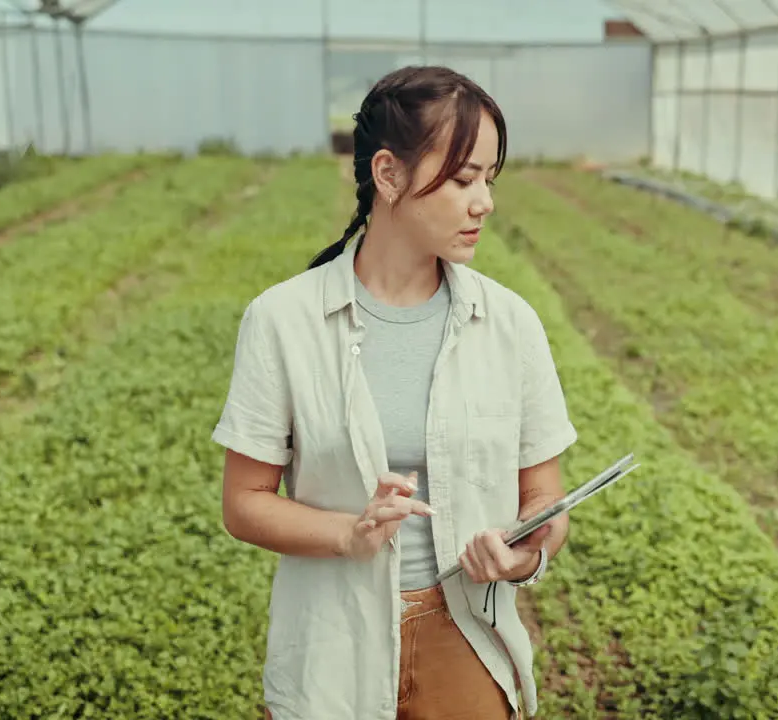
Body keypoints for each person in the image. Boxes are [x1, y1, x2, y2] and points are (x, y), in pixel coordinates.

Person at [213, 65, 578, 720]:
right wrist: (349, 534)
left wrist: (524, 554)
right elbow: (243, 502)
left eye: (488, 180)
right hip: (333, 640)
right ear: (388, 175)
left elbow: (546, 500)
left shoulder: (510, 324)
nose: (484, 202)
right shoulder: (283, 320)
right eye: (463, 178)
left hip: (466, 637)